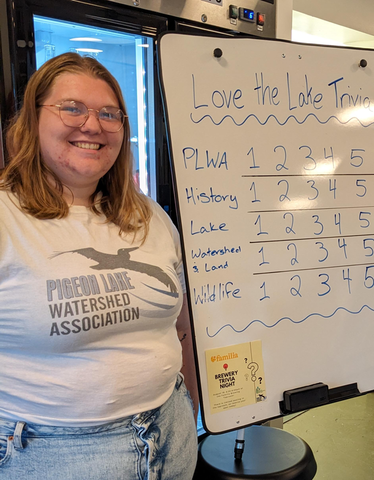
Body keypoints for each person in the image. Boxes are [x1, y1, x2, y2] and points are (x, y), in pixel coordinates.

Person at [0, 53, 198, 479]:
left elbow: (180, 322)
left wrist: (194, 405)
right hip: (52, 453)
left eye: (109, 113)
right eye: (71, 107)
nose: (92, 124)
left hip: (171, 431)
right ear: (32, 120)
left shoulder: (149, 215)